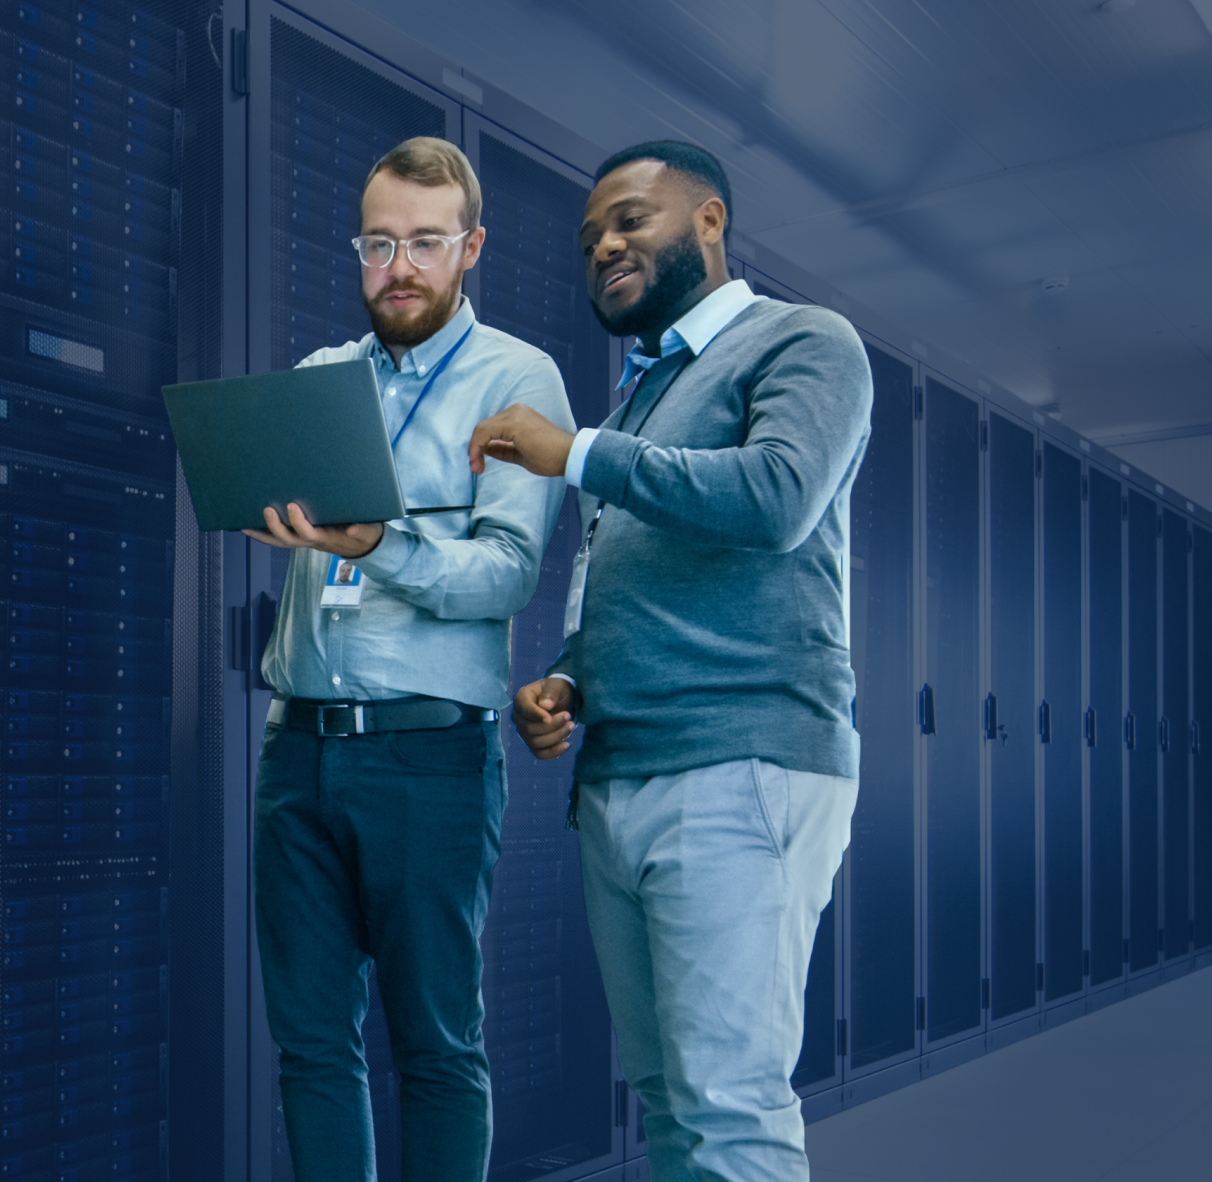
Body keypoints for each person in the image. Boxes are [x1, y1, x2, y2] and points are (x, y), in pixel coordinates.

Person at [467, 140, 872, 1182]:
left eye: (630, 220)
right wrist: (566, 678)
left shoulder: (802, 341)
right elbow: (635, 583)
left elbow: (779, 497)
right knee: (671, 1107)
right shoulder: (646, 397)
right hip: (624, 777)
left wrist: (579, 452)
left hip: (741, 761)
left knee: (729, 1109)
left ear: (709, 222)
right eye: (591, 234)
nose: (604, 244)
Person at [241, 135, 572, 1182]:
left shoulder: (519, 378)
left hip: (430, 758)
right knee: (309, 1044)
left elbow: (507, 576)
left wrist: (377, 543)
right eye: (378, 243)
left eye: (426, 242)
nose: (400, 266)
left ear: (470, 246)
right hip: (297, 751)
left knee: (433, 1042)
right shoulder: (320, 379)